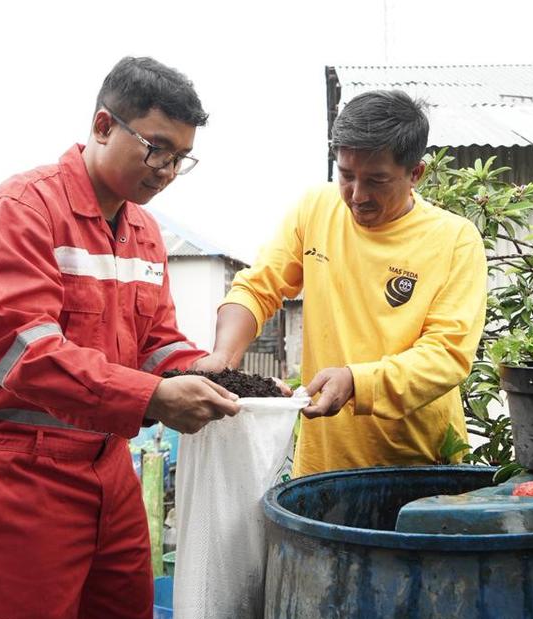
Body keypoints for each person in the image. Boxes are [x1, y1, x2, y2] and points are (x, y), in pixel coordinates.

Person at [0, 56, 240, 619]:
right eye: (158, 149)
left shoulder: (144, 232)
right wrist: (154, 400)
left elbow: (154, 342)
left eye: (182, 156)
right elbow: (24, 353)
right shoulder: (19, 212)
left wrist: (221, 380)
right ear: (104, 125)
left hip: (106, 466)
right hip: (14, 470)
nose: (169, 170)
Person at [198, 90, 487, 476]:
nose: (357, 195)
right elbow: (257, 287)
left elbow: (446, 356)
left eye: (377, 180)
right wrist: (224, 357)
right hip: (323, 461)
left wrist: (357, 381)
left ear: (415, 173)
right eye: (346, 176)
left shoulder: (455, 240)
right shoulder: (316, 209)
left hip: (419, 465)